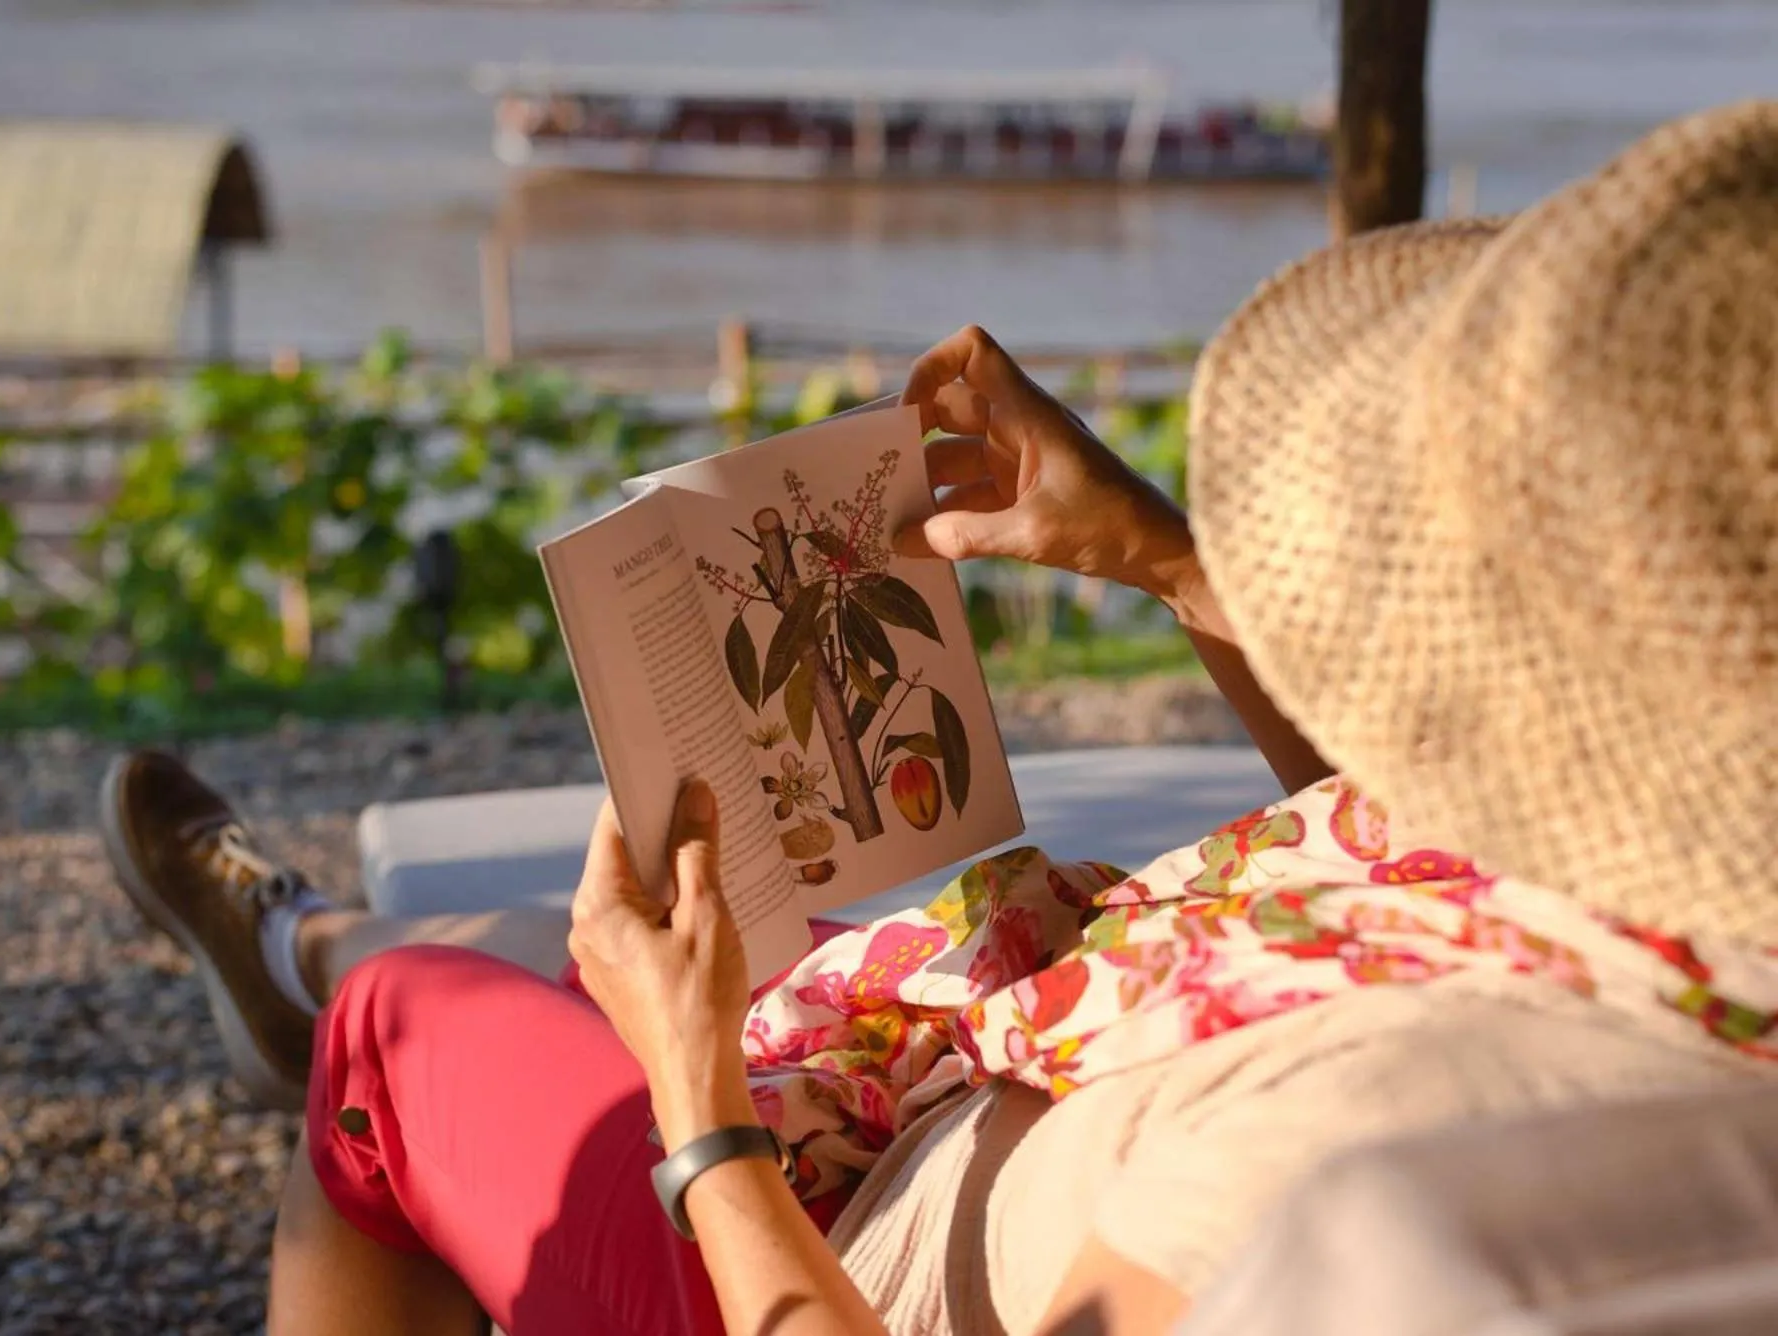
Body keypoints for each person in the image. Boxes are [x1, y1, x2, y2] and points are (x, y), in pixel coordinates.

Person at [102, 103, 1778, 1336]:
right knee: (650, 938)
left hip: (804, 1242)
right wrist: (1177, 565)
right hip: (953, 1043)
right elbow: (1424, 856)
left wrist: (700, 1109)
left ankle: (322, 978)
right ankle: (293, 937)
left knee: (396, 1040)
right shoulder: (1704, 920)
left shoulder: (1384, 1193)